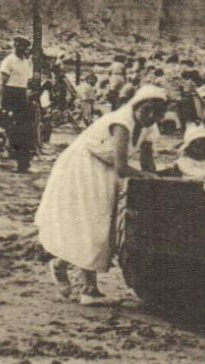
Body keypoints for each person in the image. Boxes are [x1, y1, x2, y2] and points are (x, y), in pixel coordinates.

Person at [37, 85, 170, 306]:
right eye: (146, 110)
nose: (150, 116)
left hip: (105, 171)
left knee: (101, 227)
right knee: (92, 223)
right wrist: (150, 177)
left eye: (157, 112)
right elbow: (121, 166)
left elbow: (148, 163)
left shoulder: (150, 128)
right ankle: (90, 289)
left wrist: (155, 178)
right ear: (136, 106)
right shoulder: (122, 122)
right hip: (83, 166)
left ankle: (60, 265)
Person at [0, 36, 39, 172]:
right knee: (14, 128)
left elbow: (27, 83)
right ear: (15, 46)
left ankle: (24, 161)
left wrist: (29, 94)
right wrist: (0, 104)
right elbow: (2, 85)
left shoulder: (27, 62)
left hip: (22, 96)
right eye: (18, 46)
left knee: (27, 128)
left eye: (24, 47)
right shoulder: (8, 61)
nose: (21, 49)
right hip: (10, 95)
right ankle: (18, 158)